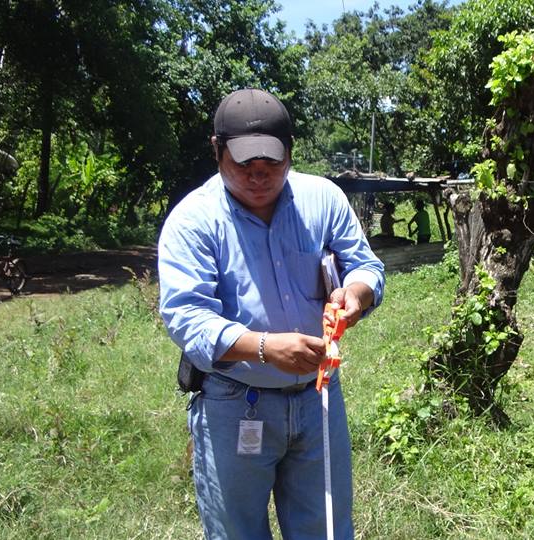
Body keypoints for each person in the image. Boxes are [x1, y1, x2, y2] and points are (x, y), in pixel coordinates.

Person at [158, 88, 384, 540]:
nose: (259, 178)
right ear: (217, 150)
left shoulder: (322, 199)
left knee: (326, 529)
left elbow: (365, 265)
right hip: (234, 400)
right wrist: (263, 348)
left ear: (290, 154)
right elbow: (186, 316)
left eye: (271, 167)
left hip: (317, 397)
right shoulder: (194, 221)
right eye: (244, 166)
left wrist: (355, 295)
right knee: (237, 532)